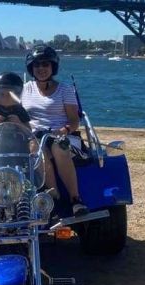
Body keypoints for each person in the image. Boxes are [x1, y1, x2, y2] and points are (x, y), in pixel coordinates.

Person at [21, 44, 89, 216]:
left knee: (59, 149)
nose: (41, 68)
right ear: (31, 68)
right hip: (36, 136)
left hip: (62, 134)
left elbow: (74, 120)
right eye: (37, 65)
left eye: (45, 64)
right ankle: (54, 197)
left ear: (53, 67)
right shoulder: (25, 89)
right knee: (36, 150)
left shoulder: (65, 90)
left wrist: (64, 130)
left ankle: (75, 199)